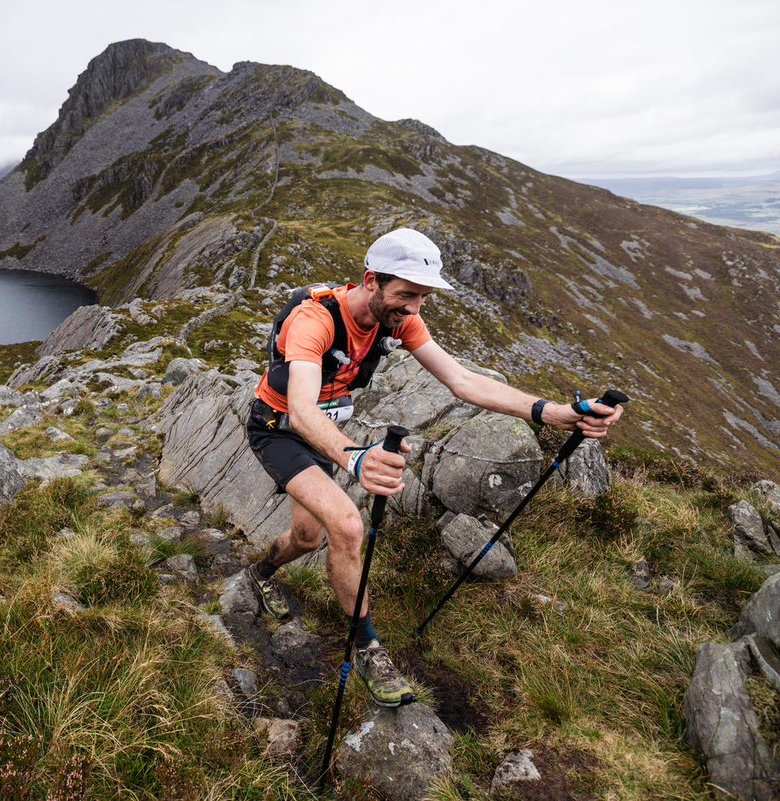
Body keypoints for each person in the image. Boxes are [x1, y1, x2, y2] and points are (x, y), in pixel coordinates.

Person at [244, 227, 624, 707]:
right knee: (345, 525)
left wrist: (551, 412)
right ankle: (368, 647)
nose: (415, 309)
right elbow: (300, 407)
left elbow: (462, 380)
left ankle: (260, 573)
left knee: (308, 537)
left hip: (325, 434)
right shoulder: (313, 321)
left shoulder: (397, 321)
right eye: (406, 295)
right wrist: (354, 456)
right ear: (370, 282)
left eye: (423, 298)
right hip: (280, 430)